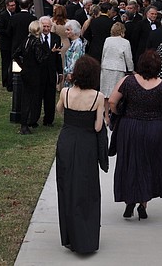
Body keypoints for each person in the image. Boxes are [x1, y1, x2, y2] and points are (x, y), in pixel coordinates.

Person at [109, 50, 162, 220]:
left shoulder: (128, 81)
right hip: (154, 128)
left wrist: (119, 114)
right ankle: (143, 203)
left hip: (130, 126)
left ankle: (129, 199)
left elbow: (112, 101)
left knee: (129, 162)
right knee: (149, 164)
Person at [55, 55, 107, 254]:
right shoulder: (97, 96)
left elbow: (59, 110)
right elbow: (97, 126)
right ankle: (86, 236)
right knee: (87, 189)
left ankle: (69, 235)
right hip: (86, 144)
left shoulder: (66, 92)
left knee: (67, 187)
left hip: (67, 141)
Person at [14, 20, 50, 135]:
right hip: (33, 73)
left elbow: (16, 54)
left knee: (26, 98)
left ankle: (24, 123)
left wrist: (23, 65)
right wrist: (49, 52)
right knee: (30, 99)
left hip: (26, 72)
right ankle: (25, 124)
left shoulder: (26, 40)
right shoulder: (36, 42)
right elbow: (40, 59)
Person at [100, 22, 134, 124]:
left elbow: (104, 54)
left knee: (106, 93)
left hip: (106, 67)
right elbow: (128, 57)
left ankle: (106, 116)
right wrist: (131, 69)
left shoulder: (107, 40)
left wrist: (102, 65)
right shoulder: (125, 42)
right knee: (117, 93)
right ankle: (115, 115)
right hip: (118, 68)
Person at [39, 16, 63, 127]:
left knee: (50, 97)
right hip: (39, 72)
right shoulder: (37, 38)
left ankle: (49, 120)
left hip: (51, 72)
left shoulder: (56, 38)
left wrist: (60, 72)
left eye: (48, 26)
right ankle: (34, 117)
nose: (46, 29)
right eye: (44, 26)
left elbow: (58, 57)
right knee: (38, 96)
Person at [0, 0, 17, 91]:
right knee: (6, 63)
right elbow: (0, 30)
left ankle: (12, 80)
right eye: (11, 5)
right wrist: (9, 32)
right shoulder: (2, 16)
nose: (13, 7)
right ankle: (5, 81)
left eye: (14, 5)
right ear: (7, 6)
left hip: (13, 44)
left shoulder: (16, 15)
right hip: (5, 44)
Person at [63, 20, 86, 89]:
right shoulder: (74, 42)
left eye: (68, 30)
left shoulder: (77, 44)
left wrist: (70, 73)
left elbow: (75, 59)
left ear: (74, 31)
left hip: (73, 75)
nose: (66, 32)